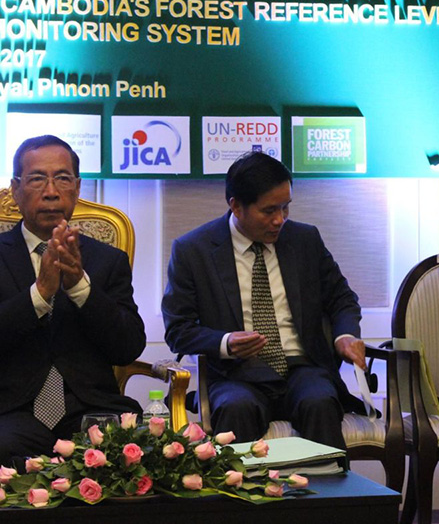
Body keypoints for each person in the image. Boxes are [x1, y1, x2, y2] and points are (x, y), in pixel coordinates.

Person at [162, 151, 366, 449]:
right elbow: (178, 330)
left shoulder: (305, 240)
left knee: (320, 401)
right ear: (236, 206)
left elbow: (342, 298)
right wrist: (226, 342)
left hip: (301, 369)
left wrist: (344, 336)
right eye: (269, 210)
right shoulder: (193, 251)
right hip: (236, 374)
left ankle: (329, 482)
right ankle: (241, 483)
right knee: (235, 407)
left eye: (285, 207)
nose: (279, 220)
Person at [0, 135, 146, 467]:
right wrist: (39, 295)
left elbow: (128, 347)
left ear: (77, 188)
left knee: (133, 449)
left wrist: (80, 287)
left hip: (90, 409)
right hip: (11, 410)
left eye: (63, 179)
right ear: (16, 189)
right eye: (37, 179)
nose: (51, 191)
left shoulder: (108, 260)